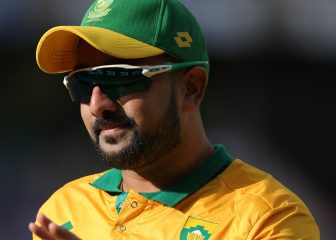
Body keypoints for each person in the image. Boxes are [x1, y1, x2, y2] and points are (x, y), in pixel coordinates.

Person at [29, 0, 320, 239]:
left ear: (191, 88)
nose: (97, 105)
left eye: (119, 78)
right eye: (81, 82)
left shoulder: (268, 219)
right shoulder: (62, 211)